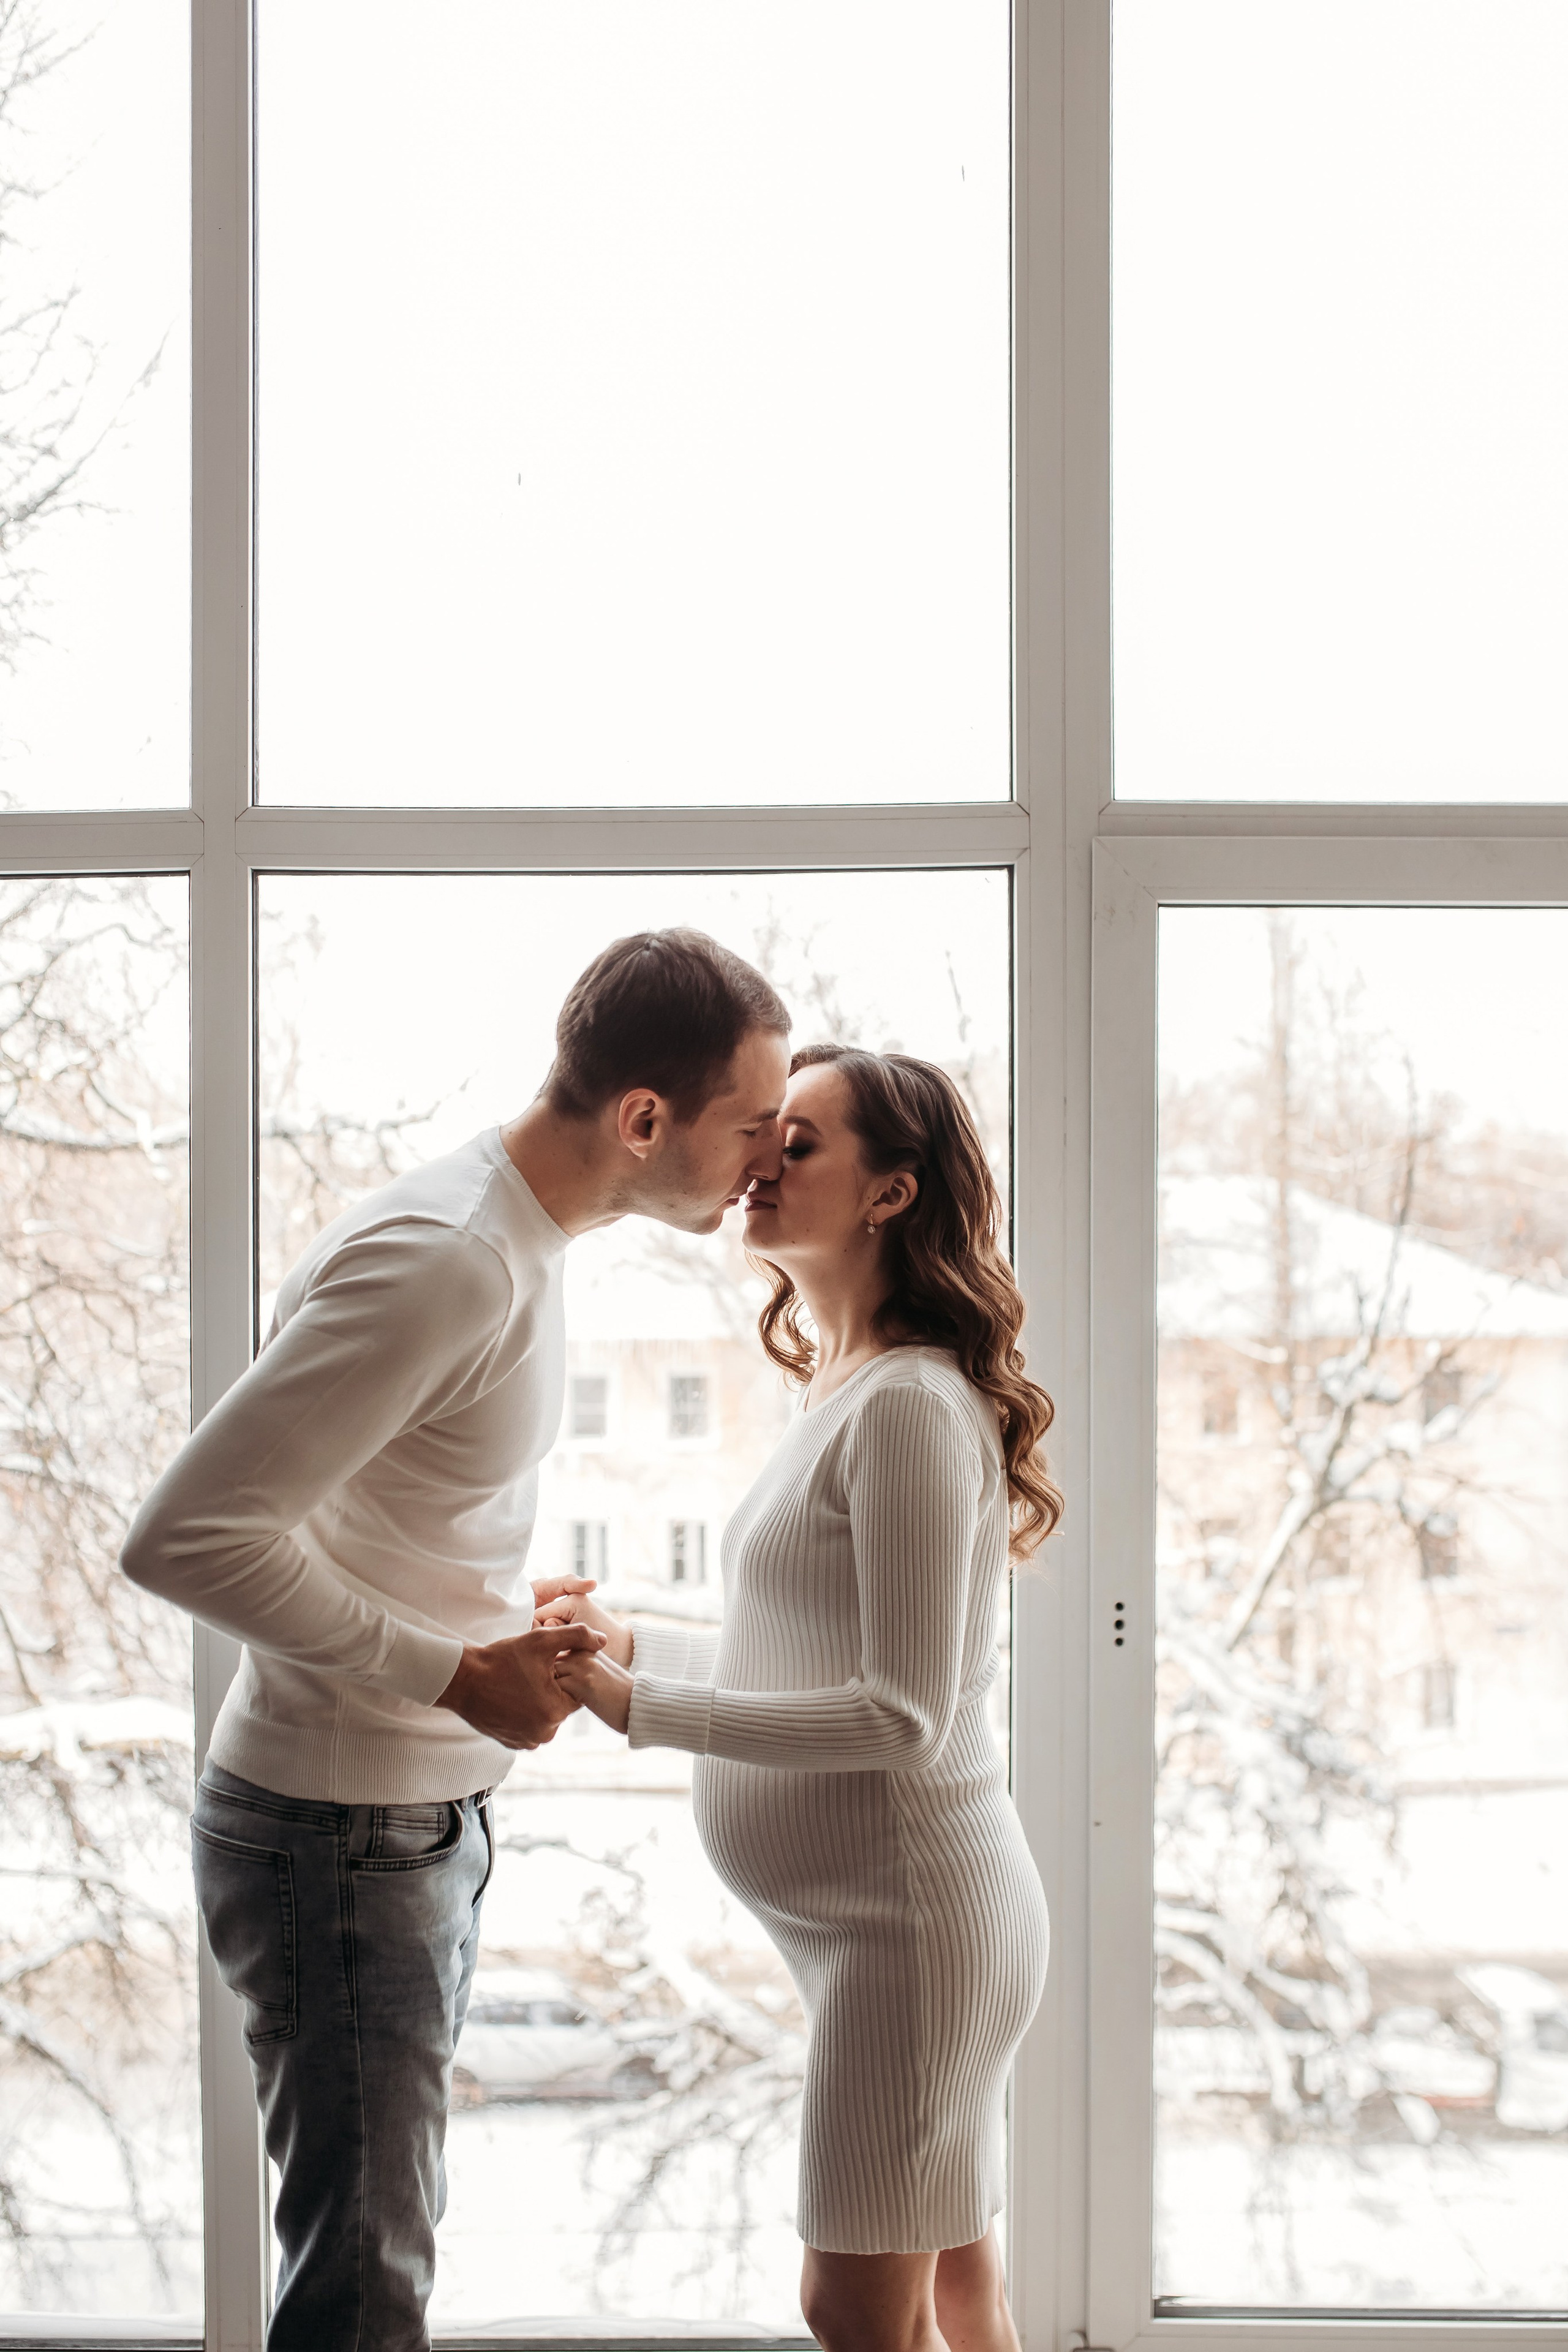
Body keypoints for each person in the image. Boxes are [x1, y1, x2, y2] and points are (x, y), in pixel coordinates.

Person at [119, 929, 790, 2352]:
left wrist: (496, 1618)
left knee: (375, 2262)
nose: (762, 1161)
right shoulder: (451, 1258)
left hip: (395, 1825)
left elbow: (367, 1509)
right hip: (338, 1830)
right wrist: (456, 1670)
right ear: (643, 1119)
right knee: (364, 2295)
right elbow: (186, 1535)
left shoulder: (518, 1244)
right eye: (747, 1124)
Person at [549, 1042, 1061, 2352]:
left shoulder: (903, 1408)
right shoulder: (843, 1388)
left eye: (803, 1143)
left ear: (891, 1194)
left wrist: (633, 1706)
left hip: (910, 1933)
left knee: (849, 2312)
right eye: (764, 1134)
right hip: (880, 1929)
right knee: (956, 2291)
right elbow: (802, 1651)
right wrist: (638, 1646)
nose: (757, 1163)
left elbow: (897, 1716)